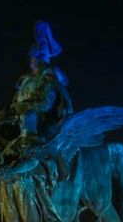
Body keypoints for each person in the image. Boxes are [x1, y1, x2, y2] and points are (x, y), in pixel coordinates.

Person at [8, 21, 74, 149]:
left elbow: (49, 55)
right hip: (35, 76)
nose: (37, 33)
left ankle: (63, 110)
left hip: (44, 72)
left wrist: (40, 58)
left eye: (39, 30)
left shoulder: (45, 47)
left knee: (53, 87)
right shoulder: (35, 48)